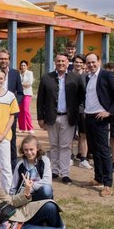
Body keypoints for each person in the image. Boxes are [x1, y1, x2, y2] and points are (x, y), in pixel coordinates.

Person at [36, 53, 86, 184]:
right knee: (54, 145)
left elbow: (81, 95)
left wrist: (74, 108)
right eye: (58, 61)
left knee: (65, 146)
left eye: (63, 61)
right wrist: (40, 117)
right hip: (51, 117)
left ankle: (65, 173)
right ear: (55, 62)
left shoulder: (76, 78)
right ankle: (54, 170)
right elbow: (40, 98)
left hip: (68, 117)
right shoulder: (47, 77)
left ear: (68, 62)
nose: (61, 64)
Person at [83, 53, 114, 197]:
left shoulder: (107, 75)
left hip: (100, 118)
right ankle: (98, 178)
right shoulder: (88, 77)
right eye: (88, 63)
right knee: (94, 150)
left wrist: (109, 112)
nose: (91, 65)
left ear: (99, 62)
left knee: (103, 151)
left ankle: (107, 184)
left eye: (93, 62)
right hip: (88, 116)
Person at [10, 135, 54, 200]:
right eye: (26, 150)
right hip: (24, 196)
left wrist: (31, 187)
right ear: (22, 150)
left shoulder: (45, 160)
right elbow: (14, 186)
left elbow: (47, 181)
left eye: (31, 149)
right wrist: (12, 200)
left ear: (37, 148)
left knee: (47, 190)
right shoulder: (20, 165)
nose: (29, 152)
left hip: (39, 194)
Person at [70, 55, 92, 169]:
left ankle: (83, 158)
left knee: (83, 135)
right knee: (70, 136)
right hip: (70, 110)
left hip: (84, 110)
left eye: (80, 62)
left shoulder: (87, 77)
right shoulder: (68, 76)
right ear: (73, 63)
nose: (78, 64)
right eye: (76, 62)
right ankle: (69, 157)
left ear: (83, 64)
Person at [18, 60, 34, 133]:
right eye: (21, 65)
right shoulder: (18, 74)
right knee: (20, 111)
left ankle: (30, 128)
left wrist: (20, 84)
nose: (23, 67)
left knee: (25, 110)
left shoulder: (30, 73)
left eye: (24, 65)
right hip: (19, 94)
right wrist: (22, 84)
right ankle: (22, 128)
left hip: (27, 93)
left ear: (27, 66)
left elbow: (29, 83)